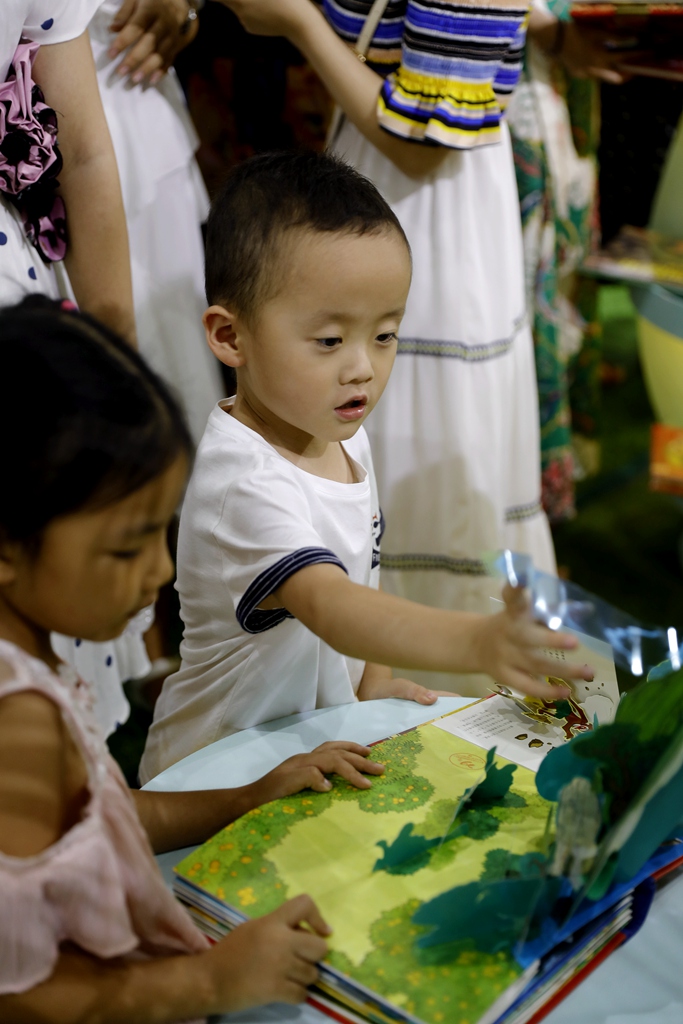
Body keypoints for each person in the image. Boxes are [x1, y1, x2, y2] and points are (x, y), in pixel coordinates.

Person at [140, 151, 592, 783]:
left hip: (309, 747)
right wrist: (475, 642)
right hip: (219, 768)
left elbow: (362, 573)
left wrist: (375, 685)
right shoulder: (241, 481)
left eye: (384, 335)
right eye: (329, 341)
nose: (363, 367)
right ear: (229, 337)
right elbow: (332, 605)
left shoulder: (343, 435)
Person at [0, 296, 385, 1022]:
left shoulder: (31, 664)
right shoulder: (16, 722)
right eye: (125, 546)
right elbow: (18, 995)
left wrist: (246, 798)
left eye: (161, 534)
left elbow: (106, 817)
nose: (156, 572)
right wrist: (208, 986)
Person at [219, 0, 557, 698]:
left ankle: (443, 693)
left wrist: (297, 21)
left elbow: (424, 140)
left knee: (410, 447)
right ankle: (356, 679)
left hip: (426, 208)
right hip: (380, 183)